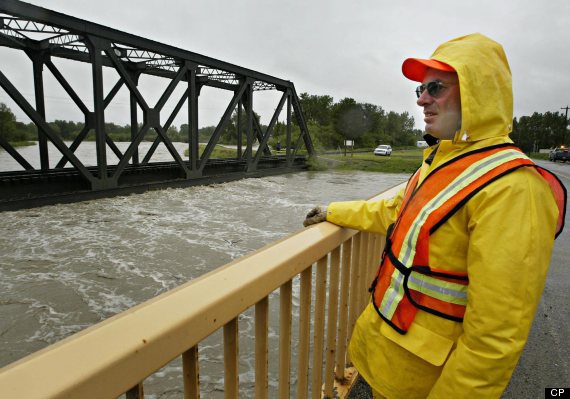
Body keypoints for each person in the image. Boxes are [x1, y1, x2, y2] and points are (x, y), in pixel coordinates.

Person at [303, 33, 566, 399]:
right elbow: (395, 212)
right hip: (386, 362)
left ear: (478, 92)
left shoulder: (514, 188)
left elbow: (494, 339)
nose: (422, 98)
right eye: (420, 90)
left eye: (436, 87)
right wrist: (333, 211)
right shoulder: (442, 161)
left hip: (424, 382)